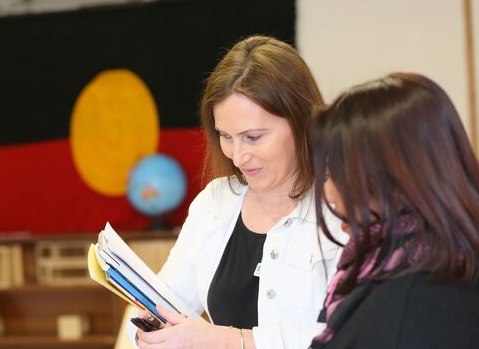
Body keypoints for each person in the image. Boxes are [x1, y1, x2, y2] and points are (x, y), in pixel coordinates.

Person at [131, 35, 345, 349]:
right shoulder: (215, 203)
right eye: (225, 136)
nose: (237, 155)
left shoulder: (344, 207)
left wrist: (231, 341)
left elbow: (356, 335)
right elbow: (163, 303)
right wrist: (146, 332)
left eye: (254, 137)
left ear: (303, 123)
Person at [309, 73, 479, 349]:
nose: (329, 192)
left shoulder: (402, 307)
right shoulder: (451, 259)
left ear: (385, 178)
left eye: (337, 171)